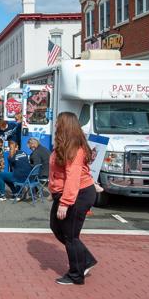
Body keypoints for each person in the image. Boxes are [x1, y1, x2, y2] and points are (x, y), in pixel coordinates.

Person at [49, 112, 97, 285]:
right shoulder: (65, 144)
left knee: (70, 235)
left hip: (78, 194)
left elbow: (73, 177)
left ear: (64, 126)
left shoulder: (74, 148)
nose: (55, 125)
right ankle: (86, 259)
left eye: (58, 123)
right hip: (66, 192)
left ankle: (76, 274)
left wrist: (65, 203)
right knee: (56, 227)